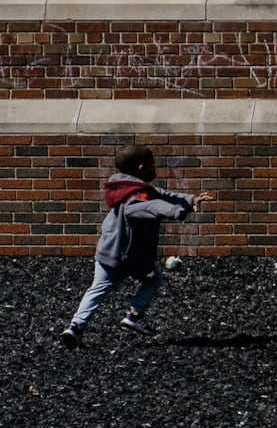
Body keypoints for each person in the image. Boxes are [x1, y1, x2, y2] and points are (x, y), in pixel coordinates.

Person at [61, 144, 212, 344]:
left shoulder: (125, 188)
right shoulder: (135, 196)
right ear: (141, 168)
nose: (155, 168)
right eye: (152, 164)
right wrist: (176, 211)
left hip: (107, 253)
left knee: (97, 289)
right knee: (153, 279)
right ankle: (134, 315)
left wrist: (191, 199)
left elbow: (161, 195)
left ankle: (76, 327)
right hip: (129, 255)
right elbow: (148, 205)